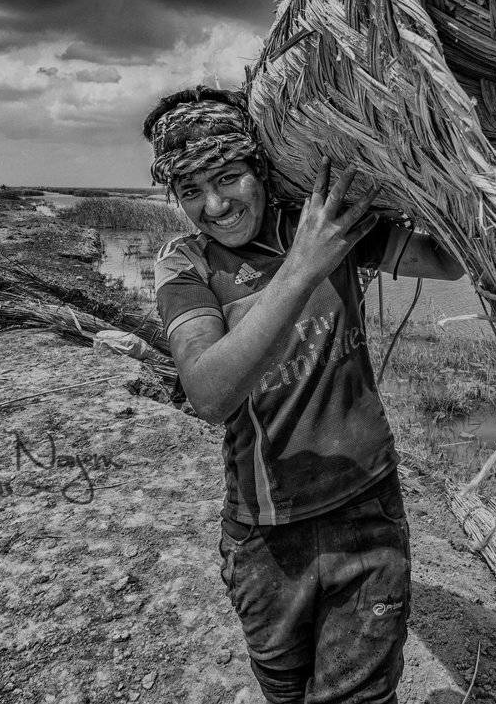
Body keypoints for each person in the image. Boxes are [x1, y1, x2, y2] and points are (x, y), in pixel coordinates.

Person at [143, 85, 464, 704]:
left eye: (228, 177)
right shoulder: (184, 264)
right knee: (286, 693)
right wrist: (305, 265)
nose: (214, 205)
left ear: (259, 169)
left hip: (365, 508)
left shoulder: (321, 219)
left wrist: (442, 168)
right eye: (190, 191)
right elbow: (209, 392)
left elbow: (444, 262)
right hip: (265, 533)